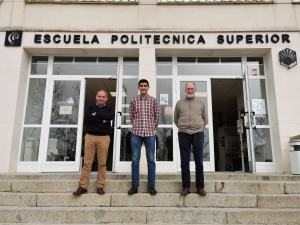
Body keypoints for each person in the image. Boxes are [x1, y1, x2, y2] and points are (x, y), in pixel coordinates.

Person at [73, 89, 115, 195]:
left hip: (104, 138)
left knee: (102, 163)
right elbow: (87, 117)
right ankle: (83, 187)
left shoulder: (110, 109)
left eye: (103, 97)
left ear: (106, 98)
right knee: (87, 163)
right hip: (90, 137)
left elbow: (110, 117)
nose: (101, 98)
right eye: (99, 96)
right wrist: (102, 119)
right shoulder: (90, 108)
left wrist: (95, 115)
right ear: (96, 97)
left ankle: (100, 186)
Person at [174, 82, 208, 197]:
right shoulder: (179, 103)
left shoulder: (201, 102)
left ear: (195, 90)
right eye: (188, 89)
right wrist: (182, 127)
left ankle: (200, 187)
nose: (190, 90)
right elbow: (175, 119)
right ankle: (186, 187)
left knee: (199, 161)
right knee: (184, 161)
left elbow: (205, 118)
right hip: (183, 134)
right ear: (185, 90)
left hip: (198, 133)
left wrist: (199, 128)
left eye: (192, 89)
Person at [128, 79, 160, 195]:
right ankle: (134, 186)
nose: (143, 87)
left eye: (145, 86)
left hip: (150, 134)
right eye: (141, 86)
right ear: (138, 88)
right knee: (135, 159)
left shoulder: (153, 101)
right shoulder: (133, 101)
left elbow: (157, 116)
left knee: (151, 160)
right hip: (136, 133)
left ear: (148, 87)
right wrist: (137, 125)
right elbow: (131, 116)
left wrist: (153, 127)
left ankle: (151, 186)